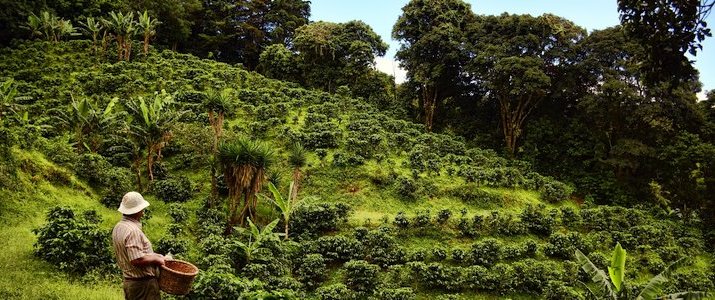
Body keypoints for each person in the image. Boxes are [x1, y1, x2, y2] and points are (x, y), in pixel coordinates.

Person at [112, 191, 165, 300]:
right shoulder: (133, 231)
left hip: (130, 283)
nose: (143, 211)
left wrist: (155, 255)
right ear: (137, 211)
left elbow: (136, 253)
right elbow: (137, 259)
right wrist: (157, 259)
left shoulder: (119, 227)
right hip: (143, 285)